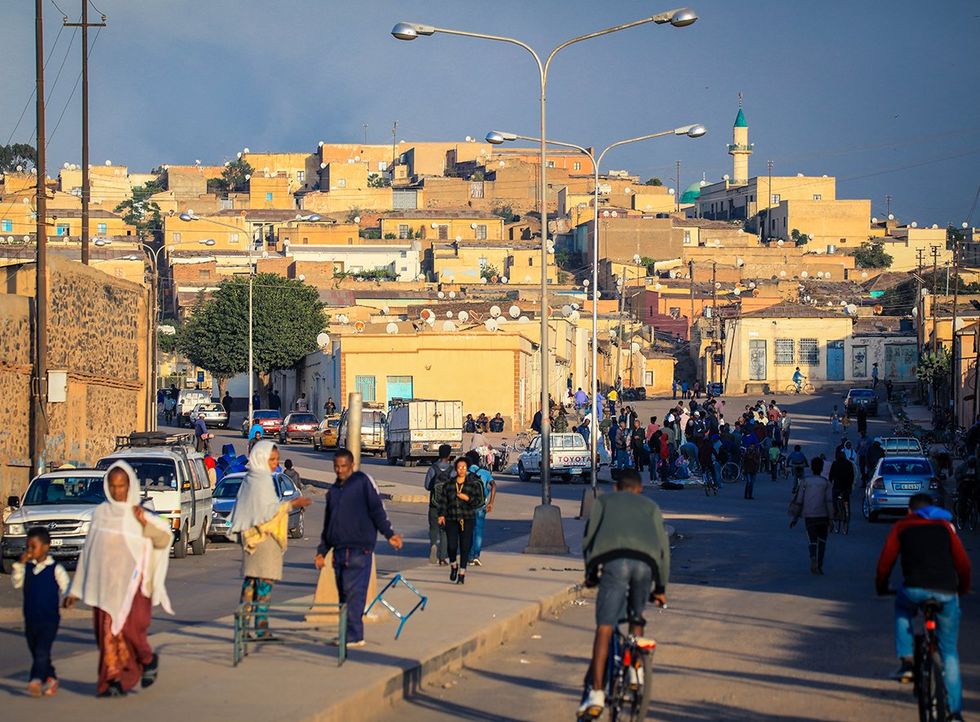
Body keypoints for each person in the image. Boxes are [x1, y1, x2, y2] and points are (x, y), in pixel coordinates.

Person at [65, 462, 173, 697]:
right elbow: (89, 552)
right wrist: (75, 590)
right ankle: (112, 679)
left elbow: (164, 539)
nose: (117, 491)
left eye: (121, 486)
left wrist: (144, 525)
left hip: (134, 587)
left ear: (130, 486)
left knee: (132, 631)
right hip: (106, 586)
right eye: (113, 486)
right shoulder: (101, 514)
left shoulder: (139, 513)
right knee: (107, 637)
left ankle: (147, 659)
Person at [578, 469, 670, 717]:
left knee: (605, 628)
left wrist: (590, 572)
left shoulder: (604, 501)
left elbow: (589, 538)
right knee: (636, 616)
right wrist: (660, 588)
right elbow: (663, 548)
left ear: (617, 488)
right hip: (645, 565)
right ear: (640, 489)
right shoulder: (650, 506)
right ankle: (635, 671)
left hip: (614, 563)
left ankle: (597, 692)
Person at [876, 494, 971, 720]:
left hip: (914, 590)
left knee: (902, 608)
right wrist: (962, 589)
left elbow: (886, 561)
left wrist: (881, 586)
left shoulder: (902, 526)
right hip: (946, 592)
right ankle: (955, 713)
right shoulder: (946, 527)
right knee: (949, 652)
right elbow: (963, 564)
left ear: (910, 511)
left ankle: (907, 661)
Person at [315, 450, 403, 647]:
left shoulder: (362, 483)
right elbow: (329, 525)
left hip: (359, 550)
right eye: (336, 466)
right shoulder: (333, 492)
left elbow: (377, 511)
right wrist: (321, 551)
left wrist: (390, 535)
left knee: (354, 593)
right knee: (344, 596)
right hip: (338, 552)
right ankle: (348, 634)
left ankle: (355, 636)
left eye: (343, 466)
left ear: (352, 465)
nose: (339, 470)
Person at [230, 442, 312, 640]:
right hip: (264, 540)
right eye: (272, 460)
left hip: (253, 539)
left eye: (277, 460)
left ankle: (244, 626)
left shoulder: (252, 478)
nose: (276, 464)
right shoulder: (261, 481)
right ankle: (260, 627)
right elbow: (267, 513)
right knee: (264, 584)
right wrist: (292, 503)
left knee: (251, 583)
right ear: (261, 458)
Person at [11, 526, 70, 697]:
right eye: (27, 547)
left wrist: (69, 597)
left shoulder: (55, 568)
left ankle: (35, 680)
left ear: (46, 546)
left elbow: (66, 586)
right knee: (35, 649)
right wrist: (19, 565)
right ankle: (51, 677)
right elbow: (16, 583)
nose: (30, 551)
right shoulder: (27, 567)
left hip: (50, 618)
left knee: (42, 650)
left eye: (33, 547)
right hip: (30, 618)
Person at [437, 457, 485, 585]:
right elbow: (443, 501)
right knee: (452, 546)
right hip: (452, 518)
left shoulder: (472, 485)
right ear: (456, 469)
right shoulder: (449, 484)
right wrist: (441, 515)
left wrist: (467, 498)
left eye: (464, 467)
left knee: (465, 547)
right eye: (459, 467)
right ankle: (453, 565)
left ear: (467, 468)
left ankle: (462, 573)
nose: (462, 470)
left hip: (467, 519)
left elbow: (477, 502)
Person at [789, 457, 834, 575]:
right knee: (822, 541)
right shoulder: (826, 483)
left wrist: (795, 518)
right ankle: (819, 565)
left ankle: (813, 556)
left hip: (809, 515)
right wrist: (831, 518)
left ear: (812, 468)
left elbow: (799, 500)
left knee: (812, 539)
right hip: (823, 515)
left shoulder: (805, 481)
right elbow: (829, 501)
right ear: (822, 468)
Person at [465, 450, 496, 567]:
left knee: (466, 531)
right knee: (478, 531)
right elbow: (494, 485)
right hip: (481, 506)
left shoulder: (464, 473)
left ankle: (468, 555)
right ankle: (475, 556)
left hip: (466, 507)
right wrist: (491, 503)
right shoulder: (485, 472)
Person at [423, 445, 453, 565]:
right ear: (449, 455)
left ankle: (433, 545)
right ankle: (442, 557)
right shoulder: (452, 470)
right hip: (447, 507)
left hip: (434, 504)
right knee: (444, 531)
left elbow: (426, 486)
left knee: (433, 529)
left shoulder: (432, 469)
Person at [829, 450, 854, 521]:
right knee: (846, 498)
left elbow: (831, 474)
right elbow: (852, 475)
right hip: (847, 486)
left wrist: (830, 481)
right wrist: (851, 485)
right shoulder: (849, 464)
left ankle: (836, 510)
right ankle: (846, 511)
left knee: (834, 497)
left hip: (837, 486)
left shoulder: (835, 463)